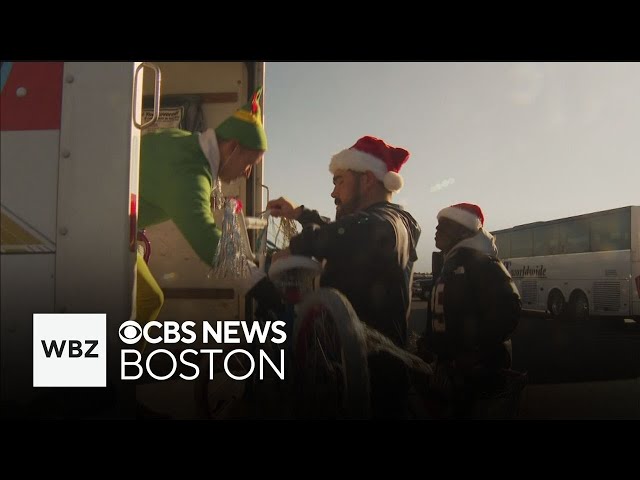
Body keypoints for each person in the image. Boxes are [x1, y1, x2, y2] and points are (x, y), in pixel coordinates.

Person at [264, 135, 422, 418]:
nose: (333, 193)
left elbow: (350, 233)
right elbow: (341, 230)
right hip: (347, 375)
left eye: (339, 180)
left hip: (373, 387)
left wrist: (293, 249)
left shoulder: (388, 222)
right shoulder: (382, 221)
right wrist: (299, 212)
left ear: (368, 179)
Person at [135, 86, 268, 336]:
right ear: (232, 147)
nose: (247, 173)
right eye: (249, 163)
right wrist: (260, 287)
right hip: (93, 229)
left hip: (107, 225)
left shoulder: (185, 142)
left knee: (149, 299)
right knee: (146, 300)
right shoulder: (191, 173)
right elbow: (209, 243)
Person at [418, 203, 522, 419]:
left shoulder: (483, 263)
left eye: (444, 224)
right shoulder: (450, 264)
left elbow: (509, 309)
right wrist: (428, 344)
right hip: (449, 374)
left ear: (464, 230)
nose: (437, 229)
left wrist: (475, 353)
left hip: (475, 376)